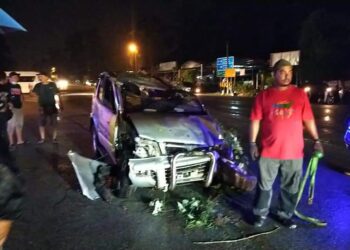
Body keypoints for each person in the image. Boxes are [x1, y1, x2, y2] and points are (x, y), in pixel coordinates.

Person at [249, 59, 323, 229]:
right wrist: (252, 143)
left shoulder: (300, 95)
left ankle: (285, 214)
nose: (287, 75)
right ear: (274, 74)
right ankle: (260, 214)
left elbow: (309, 119)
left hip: (294, 152)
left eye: (290, 71)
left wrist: (317, 140)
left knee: (290, 187)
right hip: (269, 151)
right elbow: (255, 121)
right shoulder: (263, 96)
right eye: (282, 71)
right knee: (264, 186)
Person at [32, 71, 61, 143]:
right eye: (39, 76)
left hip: (52, 106)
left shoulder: (52, 84)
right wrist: (30, 90)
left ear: (47, 77)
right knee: (41, 123)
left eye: (41, 76)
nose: (40, 77)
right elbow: (34, 95)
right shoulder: (38, 85)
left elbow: (57, 94)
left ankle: (54, 138)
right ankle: (42, 138)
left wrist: (59, 105)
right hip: (42, 107)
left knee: (54, 123)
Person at [7, 72, 25, 149]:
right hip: (11, 108)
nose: (16, 78)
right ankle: (11, 142)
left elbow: (20, 94)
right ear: (10, 78)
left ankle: (20, 140)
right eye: (14, 77)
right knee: (11, 125)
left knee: (19, 124)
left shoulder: (18, 85)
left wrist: (22, 101)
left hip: (19, 107)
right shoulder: (6, 86)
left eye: (17, 77)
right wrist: (8, 104)